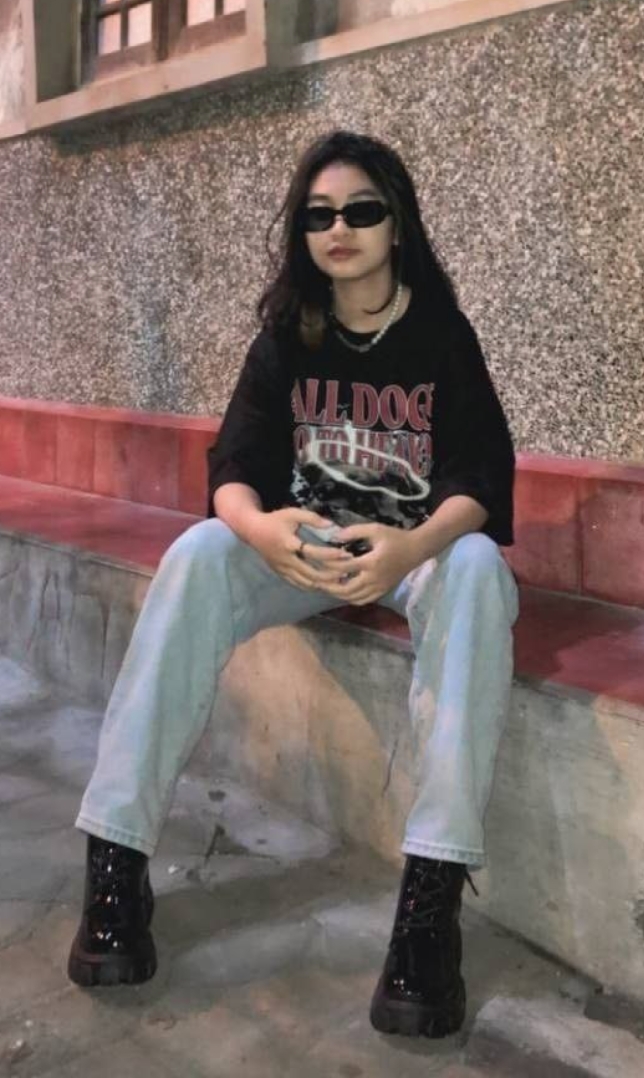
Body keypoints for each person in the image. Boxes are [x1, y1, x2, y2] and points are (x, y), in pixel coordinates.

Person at [68, 129, 519, 1040]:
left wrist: (410, 547)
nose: (339, 229)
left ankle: (429, 906)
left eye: (361, 211)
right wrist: (261, 529)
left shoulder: (440, 334)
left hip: (413, 551)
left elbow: (482, 477)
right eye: (319, 216)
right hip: (304, 548)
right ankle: (115, 862)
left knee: (476, 567)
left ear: (397, 225)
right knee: (199, 551)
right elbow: (232, 466)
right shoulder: (287, 336)